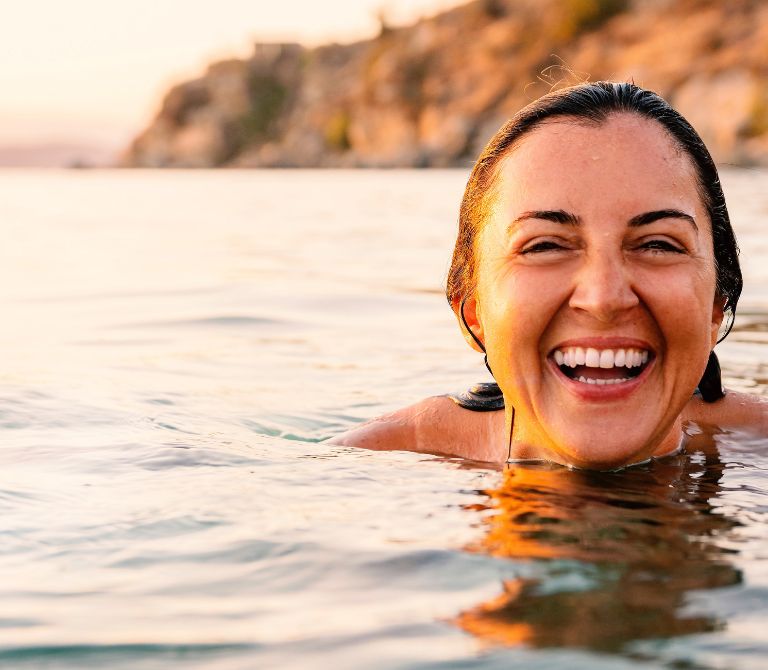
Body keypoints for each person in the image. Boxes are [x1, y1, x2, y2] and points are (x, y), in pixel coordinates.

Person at [330, 81, 768, 469]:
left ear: (715, 308)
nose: (603, 298)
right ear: (475, 312)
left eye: (658, 244)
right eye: (545, 246)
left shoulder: (757, 449)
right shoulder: (379, 465)